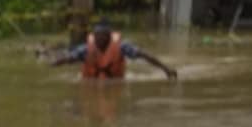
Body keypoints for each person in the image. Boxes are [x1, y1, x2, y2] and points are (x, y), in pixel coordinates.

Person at [47, 18, 178, 80]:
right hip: (92, 83)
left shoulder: (122, 46)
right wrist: (52, 64)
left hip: (116, 81)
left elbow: (145, 55)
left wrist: (166, 69)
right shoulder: (86, 49)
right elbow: (68, 58)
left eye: (103, 35)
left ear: (109, 35)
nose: (99, 39)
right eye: (97, 35)